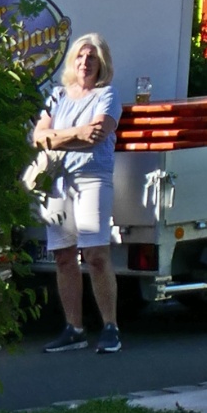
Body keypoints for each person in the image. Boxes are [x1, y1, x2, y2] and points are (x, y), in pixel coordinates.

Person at [35, 34, 125, 357]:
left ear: (102, 64)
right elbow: (37, 137)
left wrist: (56, 138)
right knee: (62, 256)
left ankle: (110, 327)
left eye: (92, 58)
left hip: (92, 180)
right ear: (72, 62)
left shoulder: (108, 95)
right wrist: (74, 133)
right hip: (57, 182)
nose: (85, 63)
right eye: (80, 57)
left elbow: (96, 135)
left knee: (96, 255)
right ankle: (74, 328)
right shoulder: (57, 95)